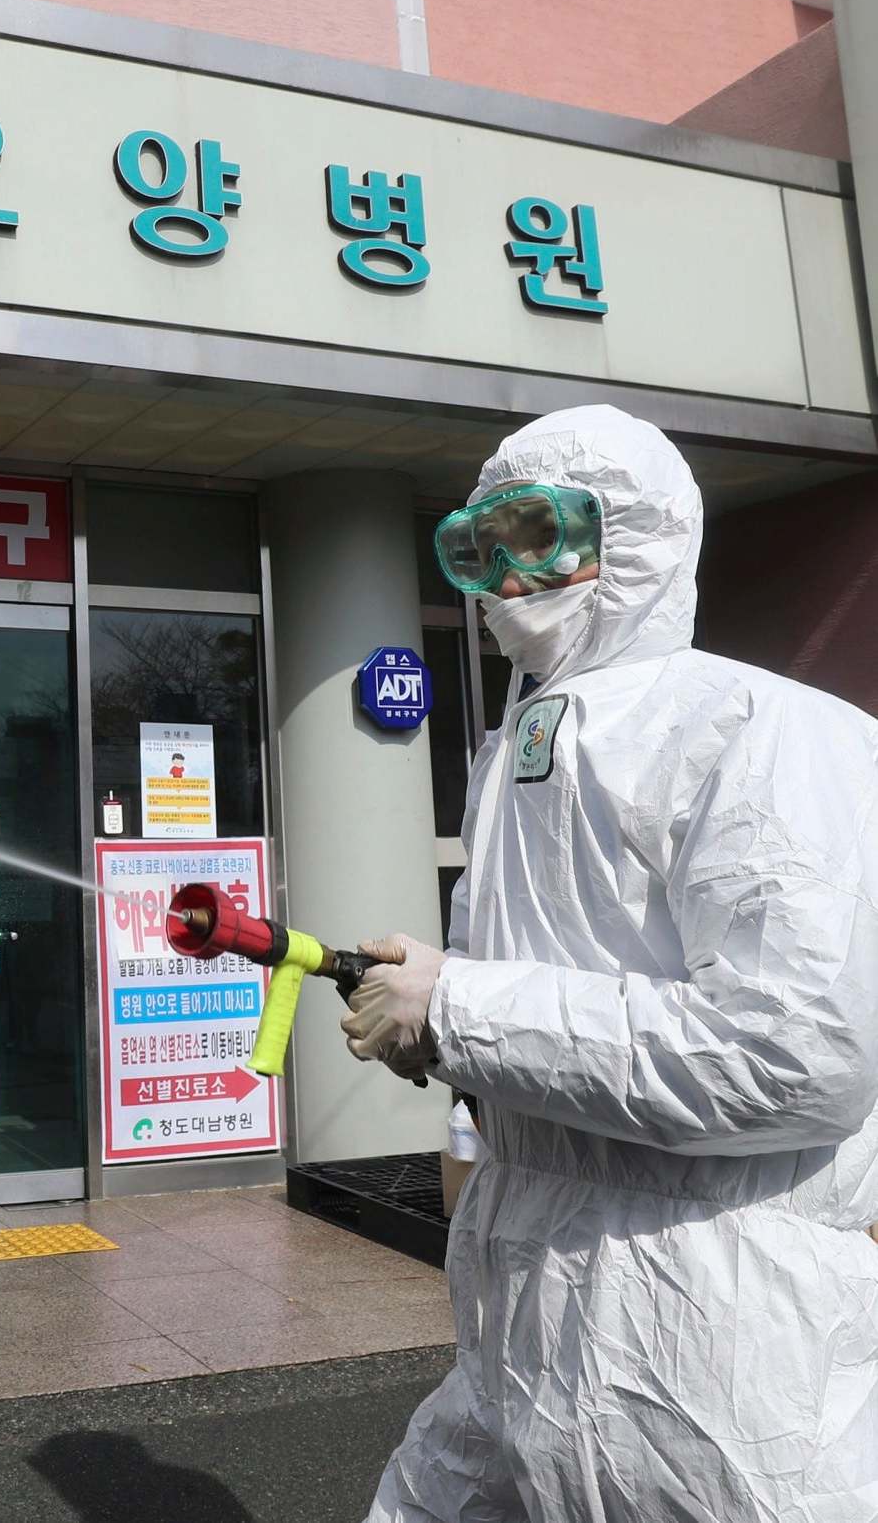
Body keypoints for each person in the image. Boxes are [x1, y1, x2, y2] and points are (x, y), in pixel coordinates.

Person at [342, 404, 878, 1521]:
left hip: (717, 1326)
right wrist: (443, 1027)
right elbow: (570, 999)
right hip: (518, 1299)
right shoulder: (510, 754)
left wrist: (462, 1010)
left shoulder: (767, 729)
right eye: (480, 548)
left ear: (638, 533)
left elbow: (794, 1056)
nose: (505, 578)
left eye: (538, 534)